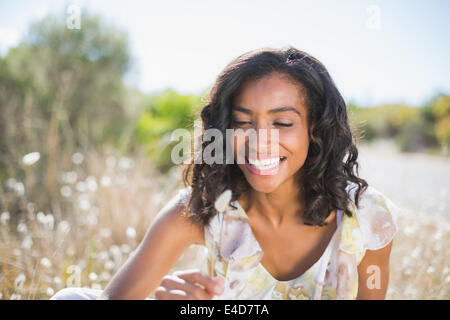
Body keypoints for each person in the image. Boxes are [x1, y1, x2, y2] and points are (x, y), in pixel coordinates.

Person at [51, 46, 398, 300]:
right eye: (241, 122)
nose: (259, 142)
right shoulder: (197, 209)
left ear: (316, 129)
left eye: (282, 122)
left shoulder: (366, 217)